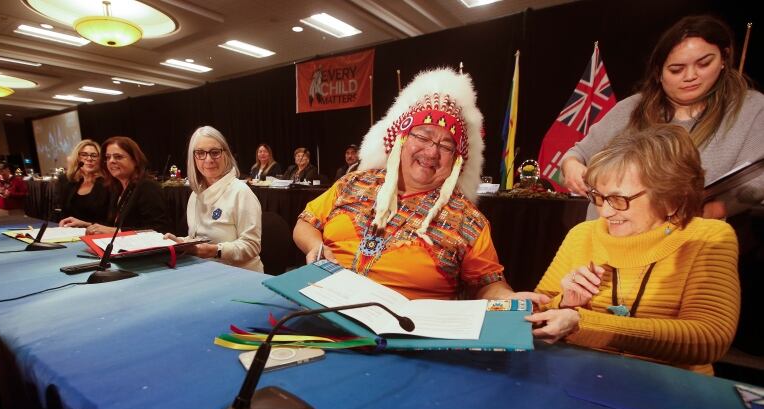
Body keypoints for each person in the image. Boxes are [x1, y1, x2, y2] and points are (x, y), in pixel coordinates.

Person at [294, 68, 548, 303]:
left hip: (404, 332)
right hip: (322, 304)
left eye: (446, 146)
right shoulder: (354, 182)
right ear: (402, 140)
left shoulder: (468, 220)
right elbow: (306, 222)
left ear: (456, 162)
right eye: (423, 136)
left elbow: (487, 283)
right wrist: (316, 247)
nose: (431, 151)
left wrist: (510, 301)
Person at [529, 125, 740, 375]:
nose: (605, 211)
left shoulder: (708, 237)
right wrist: (564, 304)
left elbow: (708, 339)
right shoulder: (582, 235)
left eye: (619, 199)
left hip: (669, 393)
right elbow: (536, 316)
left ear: (671, 198)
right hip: (583, 380)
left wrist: (581, 323)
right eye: (598, 196)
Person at [560, 15, 764, 218]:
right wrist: (572, 166)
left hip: (688, 238)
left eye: (704, 64)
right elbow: (577, 155)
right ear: (658, 72)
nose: (691, 76)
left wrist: (713, 210)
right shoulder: (631, 109)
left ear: (724, 59)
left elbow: (758, 180)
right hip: (608, 238)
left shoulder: (751, 109)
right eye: (676, 70)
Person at [165, 126, 264, 271]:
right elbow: (198, 238)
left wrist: (214, 251)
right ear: (193, 158)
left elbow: (251, 246)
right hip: (205, 271)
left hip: (240, 275)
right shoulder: (195, 194)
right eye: (200, 153)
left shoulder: (241, 192)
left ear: (226, 154)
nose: (208, 159)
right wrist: (182, 242)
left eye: (215, 152)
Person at [60, 136, 169, 234]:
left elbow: (159, 230)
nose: (111, 161)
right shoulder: (117, 188)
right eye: (107, 157)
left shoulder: (147, 187)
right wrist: (87, 225)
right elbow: (112, 226)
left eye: (118, 157)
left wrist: (117, 231)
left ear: (135, 160)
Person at [56, 139, 111, 224]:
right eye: (84, 155)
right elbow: (62, 212)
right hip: (69, 232)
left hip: (98, 233)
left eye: (94, 155)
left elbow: (109, 221)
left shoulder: (108, 182)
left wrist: (85, 225)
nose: (89, 159)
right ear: (77, 158)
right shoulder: (67, 181)